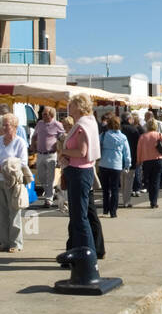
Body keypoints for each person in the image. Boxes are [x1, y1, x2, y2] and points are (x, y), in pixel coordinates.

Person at [62, 94, 101, 259]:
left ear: (78, 106)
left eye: (71, 104)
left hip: (78, 172)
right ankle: (83, 253)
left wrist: (63, 150)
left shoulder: (81, 125)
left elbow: (82, 152)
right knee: (80, 216)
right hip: (80, 171)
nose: (68, 107)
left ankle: (87, 256)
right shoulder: (87, 122)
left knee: (79, 217)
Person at [0, 113, 30, 251]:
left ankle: (15, 243)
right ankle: (4, 242)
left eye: (7, 124)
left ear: (15, 126)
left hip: (12, 181)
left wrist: (7, 166)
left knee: (13, 211)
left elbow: (23, 162)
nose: (4, 127)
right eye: (3, 124)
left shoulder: (19, 142)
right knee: (1, 212)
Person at [30, 105, 64, 207]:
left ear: (51, 115)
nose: (42, 115)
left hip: (51, 154)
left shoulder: (57, 124)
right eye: (42, 114)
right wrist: (33, 146)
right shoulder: (40, 123)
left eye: (44, 114)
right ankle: (50, 192)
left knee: (50, 178)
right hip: (40, 154)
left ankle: (48, 199)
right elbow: (34, 136)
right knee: (41, 176)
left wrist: (61, 149)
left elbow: (63, 137)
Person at [98, 115, 131, 217]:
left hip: (103, 163)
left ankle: (105, 209)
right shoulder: (123, 137)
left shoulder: (103, 135)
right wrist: (127, 164)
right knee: (115, 189)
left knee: (105, 189)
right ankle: (113, 211)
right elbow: (127, 153)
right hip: (116, 165)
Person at [137, 118, 162, 208]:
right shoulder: (159, 135)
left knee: (149, 181)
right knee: (156, 181)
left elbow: (138, 150)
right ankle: (154, 201)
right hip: (158, 160)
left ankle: (151, 199)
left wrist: (138, 161)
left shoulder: (142, 136)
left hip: (146, 161)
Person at [121, 112, 143, 205]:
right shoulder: (134, 130)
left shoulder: (118, 128)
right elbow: (139, 145)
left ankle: (124, 198)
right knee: (129, 180)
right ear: (129, 119)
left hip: (119, 159)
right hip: (132, 157)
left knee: (122, 181)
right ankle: (126, 200)